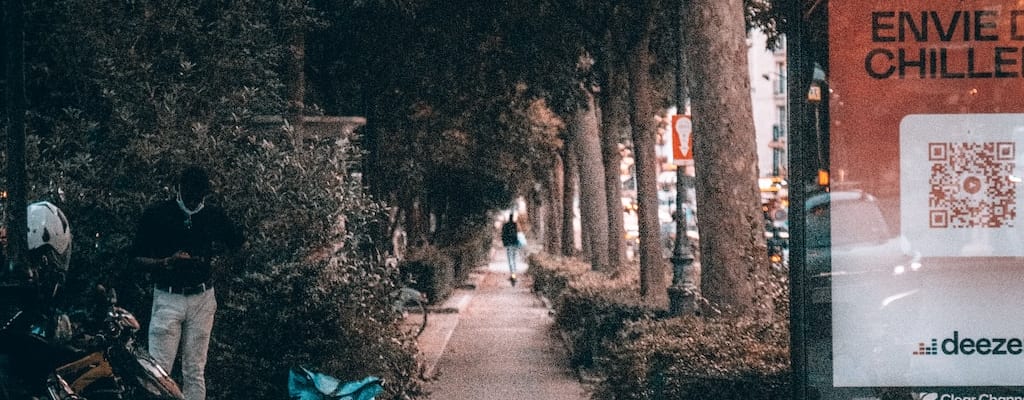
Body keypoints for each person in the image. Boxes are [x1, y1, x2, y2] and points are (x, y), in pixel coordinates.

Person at [131, 165, 243, 400]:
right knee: (158, 372)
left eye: (199, 197)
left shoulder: (213, 216)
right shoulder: (157, 214)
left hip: (202, 297)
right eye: (190, 196)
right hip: (167, 297)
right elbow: (135, 258)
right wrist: (164, 263)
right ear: (179, 189)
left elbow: (239, 245)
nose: (194, 202)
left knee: (195, 370)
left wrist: (221, 268)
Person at [500, 213, 520, 283]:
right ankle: (514, 275)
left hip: (509, 244)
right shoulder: (515, 225)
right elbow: (518, 234)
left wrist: (504, 242)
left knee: (510, 260)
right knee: (514, 259)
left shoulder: (506, 225)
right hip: (515, 243)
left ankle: (513, 275)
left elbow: (503, 235)